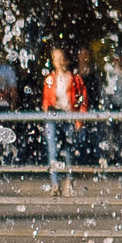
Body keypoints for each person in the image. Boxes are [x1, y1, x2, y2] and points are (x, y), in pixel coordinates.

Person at [40, 46, 88, 194]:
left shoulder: (75, 79)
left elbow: (83, 99)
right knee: (53, 150)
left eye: (61, 58)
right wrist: (48, 109)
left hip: (68, 116)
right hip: (54, 117)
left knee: (69, 151)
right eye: (56, 59)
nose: (59, 62)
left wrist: (80, 118)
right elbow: (46, 100)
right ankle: (55, 184)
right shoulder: (49, 79)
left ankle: (69, 181)